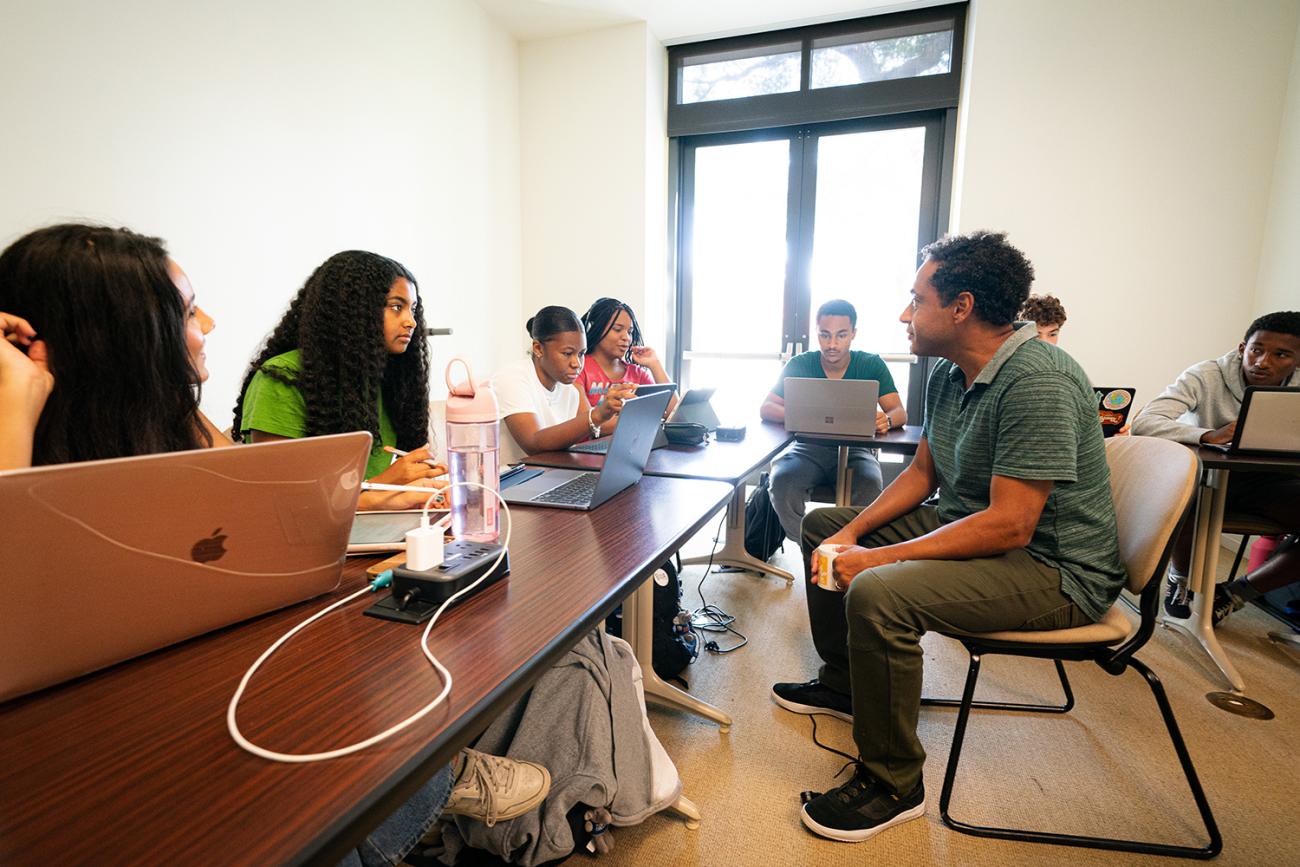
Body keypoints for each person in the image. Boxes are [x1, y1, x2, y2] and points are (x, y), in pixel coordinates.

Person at [0, 225, 550, 867]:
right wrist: (13, 408)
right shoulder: (20, 424)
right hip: (85, 754)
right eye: (186, 310)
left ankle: (428, 781)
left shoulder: (171, 415)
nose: (210, 320)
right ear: (122, 337)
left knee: (364, 686)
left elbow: (259, 502)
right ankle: (433, 785)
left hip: (199, 678)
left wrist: (396, 499)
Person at [772, 231, 1125, 844]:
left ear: (960, 308)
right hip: (975, 526)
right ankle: (846, 684)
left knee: (880, 594)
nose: (905, 314)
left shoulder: (1039, 379)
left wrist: (877, 559)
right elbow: (921, 474)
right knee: (822, 525)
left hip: (1053, 567)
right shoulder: (947, 373)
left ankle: (894, 783)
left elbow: (1012, 523)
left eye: (916, 300)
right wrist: (850, 535)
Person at [0, 223, 226, 471]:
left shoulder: (149, 416)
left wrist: (161, 382)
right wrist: (21, 385)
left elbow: (251, 491)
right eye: (190, 312)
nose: (206, 325)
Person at [233, 251, 446, 511]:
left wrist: (425, 492)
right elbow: (282, 503)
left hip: (372, 533)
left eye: (412, 309)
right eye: (396, 307)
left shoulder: (390, 380)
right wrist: (380, 488)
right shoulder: (282, 378)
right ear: (354, 310)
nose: (411, 321)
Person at [1132, 310, 1300, 624]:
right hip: (1204, 477)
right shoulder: (1206, 375)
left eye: (1281, 355)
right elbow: (1145, 422)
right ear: (1242, 348)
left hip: (1269, 485)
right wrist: (1207, 435)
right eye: (1256, 350)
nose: (1263, 362)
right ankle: (1179, 580)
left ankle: (1237, 593)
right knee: (1185, 497)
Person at [759, 299, 907, 541]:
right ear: (817, 332)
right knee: (781, 483)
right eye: (825, 335)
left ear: (853, 334)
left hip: (858, 451)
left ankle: (849, 546)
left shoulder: (871, 364)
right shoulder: (800, 364)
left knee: (871, 486)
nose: (832, 344)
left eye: (841, 335)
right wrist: (801, 415)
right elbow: (766, 407)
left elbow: (899, 412)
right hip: (807, 451)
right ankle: (813, 547)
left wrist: (887, 421)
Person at [491, 305, 633, 465]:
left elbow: (577, 437)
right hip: (510, 484)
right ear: (538, 348)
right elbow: (533, 443)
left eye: (581, 354)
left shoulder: (570, 390)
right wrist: (598, 414)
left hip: (548, 476)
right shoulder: (512, 378)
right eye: (567, 354)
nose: (577, 363)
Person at [576, 297, 678, 431]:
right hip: (588, 450)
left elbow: (674, 415)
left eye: (629, 332)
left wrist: (655, 365)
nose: (626, 338)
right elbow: (585, 424)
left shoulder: (637, 373)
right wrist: (647, 419)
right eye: (617, 329)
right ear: (596, 328)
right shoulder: (579, 368)